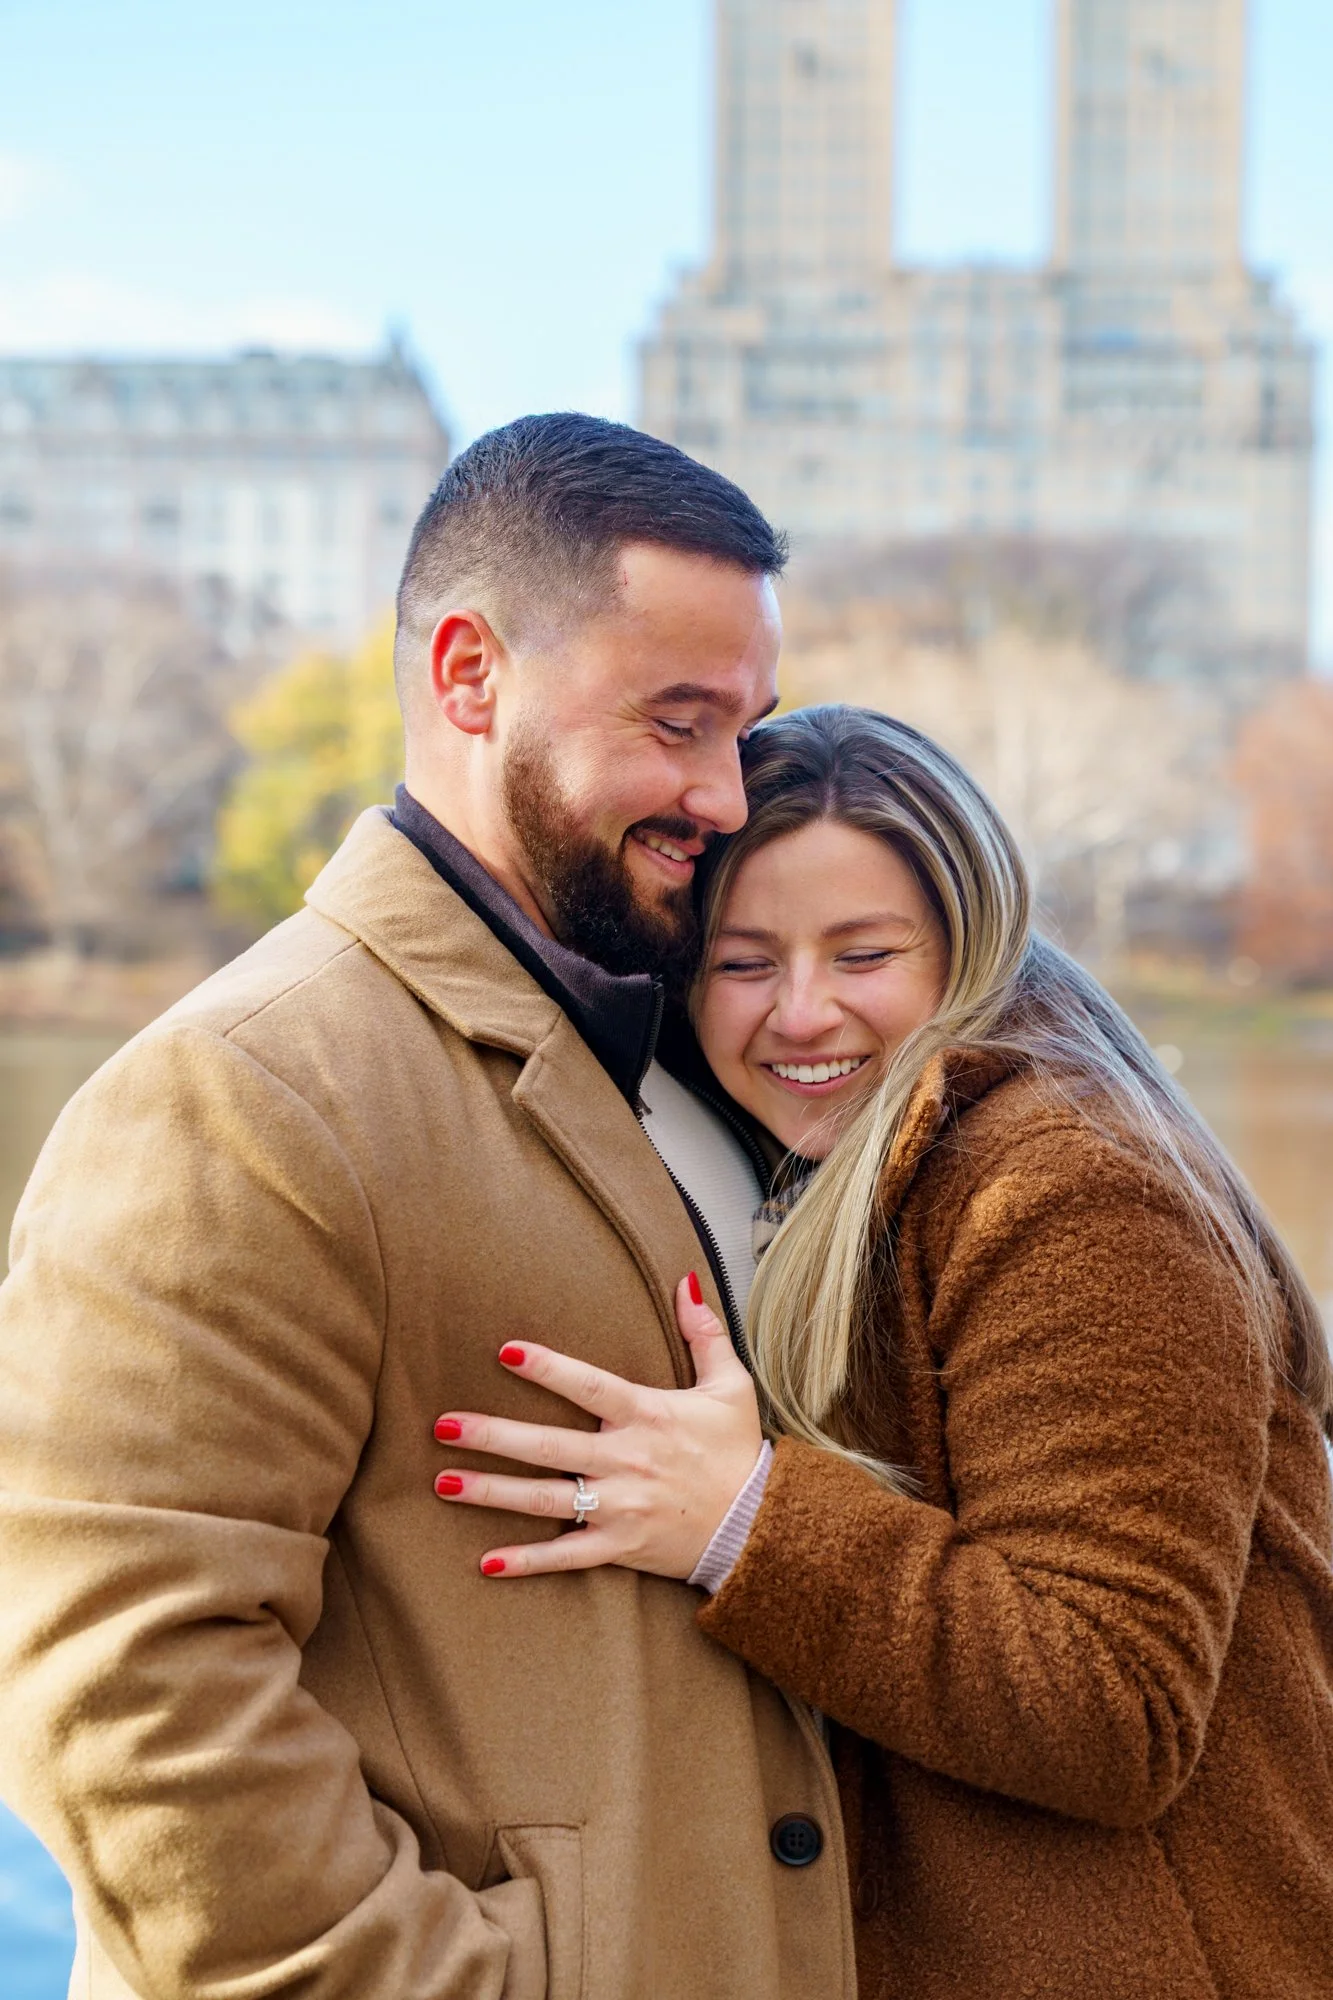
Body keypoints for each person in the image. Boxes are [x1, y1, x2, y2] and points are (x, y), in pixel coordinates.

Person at [0, 418, 862, 2000]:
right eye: (677, 724)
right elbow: (123, 1702)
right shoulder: (236, 1099)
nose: (728, 795)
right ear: (469, 675)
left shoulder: (683, 1054)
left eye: (747, 730)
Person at [438, 704, 1333, 2000]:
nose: (803, 1014)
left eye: (864, 954)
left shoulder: (1077, 1195)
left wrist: (742, 1517)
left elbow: (1111, 1701)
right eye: (745, 965)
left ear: (968, 950)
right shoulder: (856, 1166)